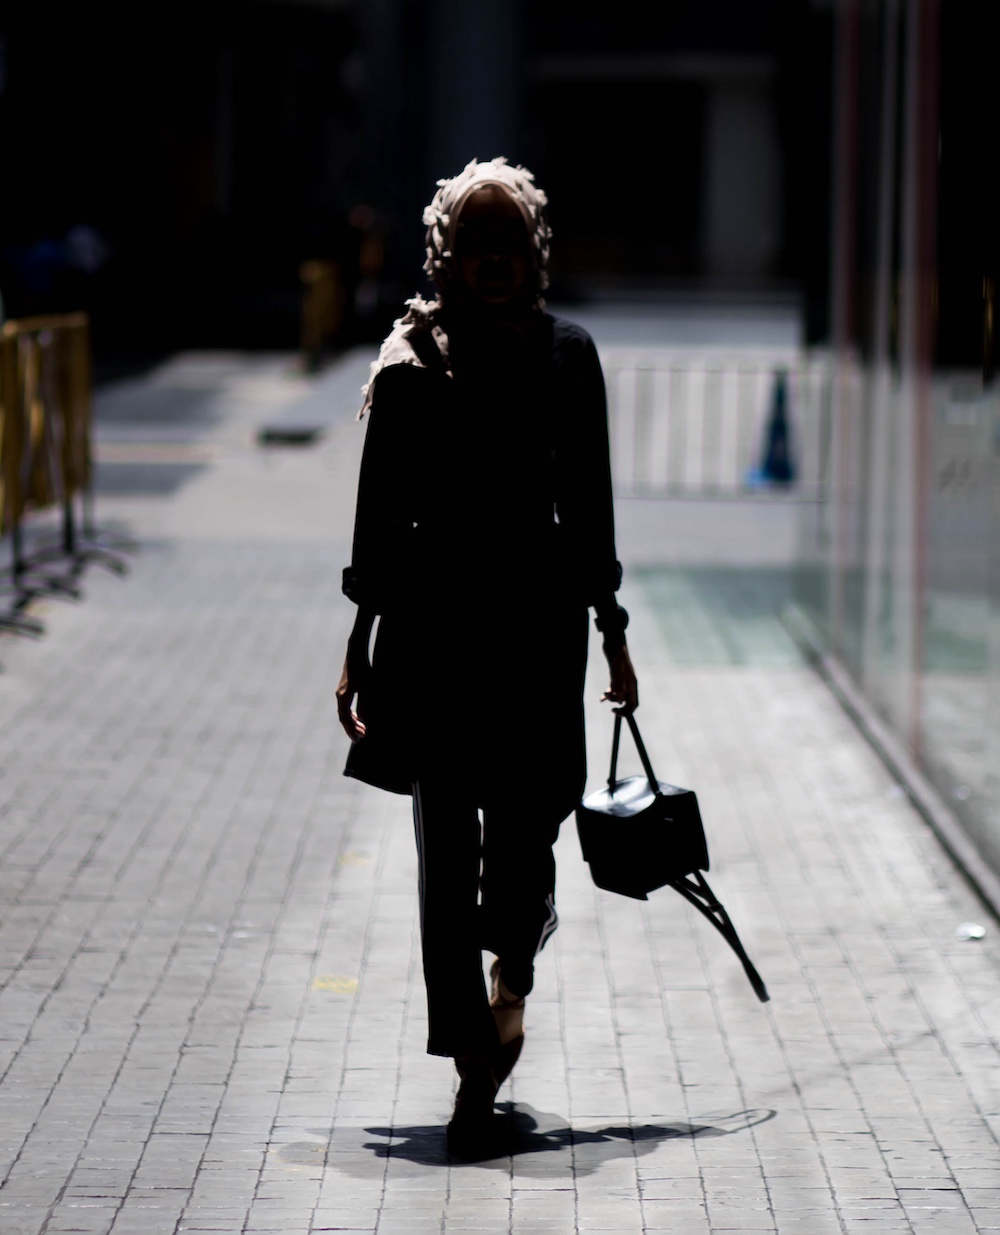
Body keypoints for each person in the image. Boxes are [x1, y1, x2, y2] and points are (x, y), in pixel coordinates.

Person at [335, 157, 638, 1157]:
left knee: (521, 837)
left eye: (510, 242)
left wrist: (613, 632)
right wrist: (357, 639)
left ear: (534, 251)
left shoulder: (568, 354)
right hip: (429, 629)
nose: (493, 261)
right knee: (442, 855)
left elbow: (588, 504)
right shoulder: (412, 355)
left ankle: (513, 968)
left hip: (536, 627)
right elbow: (379, 509)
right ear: (447, 253)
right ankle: (471, 1055)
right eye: (475, 243)